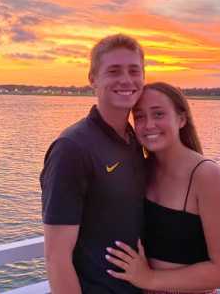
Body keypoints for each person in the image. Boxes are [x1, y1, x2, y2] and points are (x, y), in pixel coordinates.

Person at [105, 82, 220, 294]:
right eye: (139, 116)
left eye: (158, 114)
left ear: (181, 119)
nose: (149, 124)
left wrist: (149, 279)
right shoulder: (142, 170)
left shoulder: (206, 176)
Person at [40, 34, 147, 293]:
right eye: (113, 71)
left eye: (134, 71)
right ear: (93, 79)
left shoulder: (134, 139)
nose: (126, 80)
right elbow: (56, 257)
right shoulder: (72, 148)